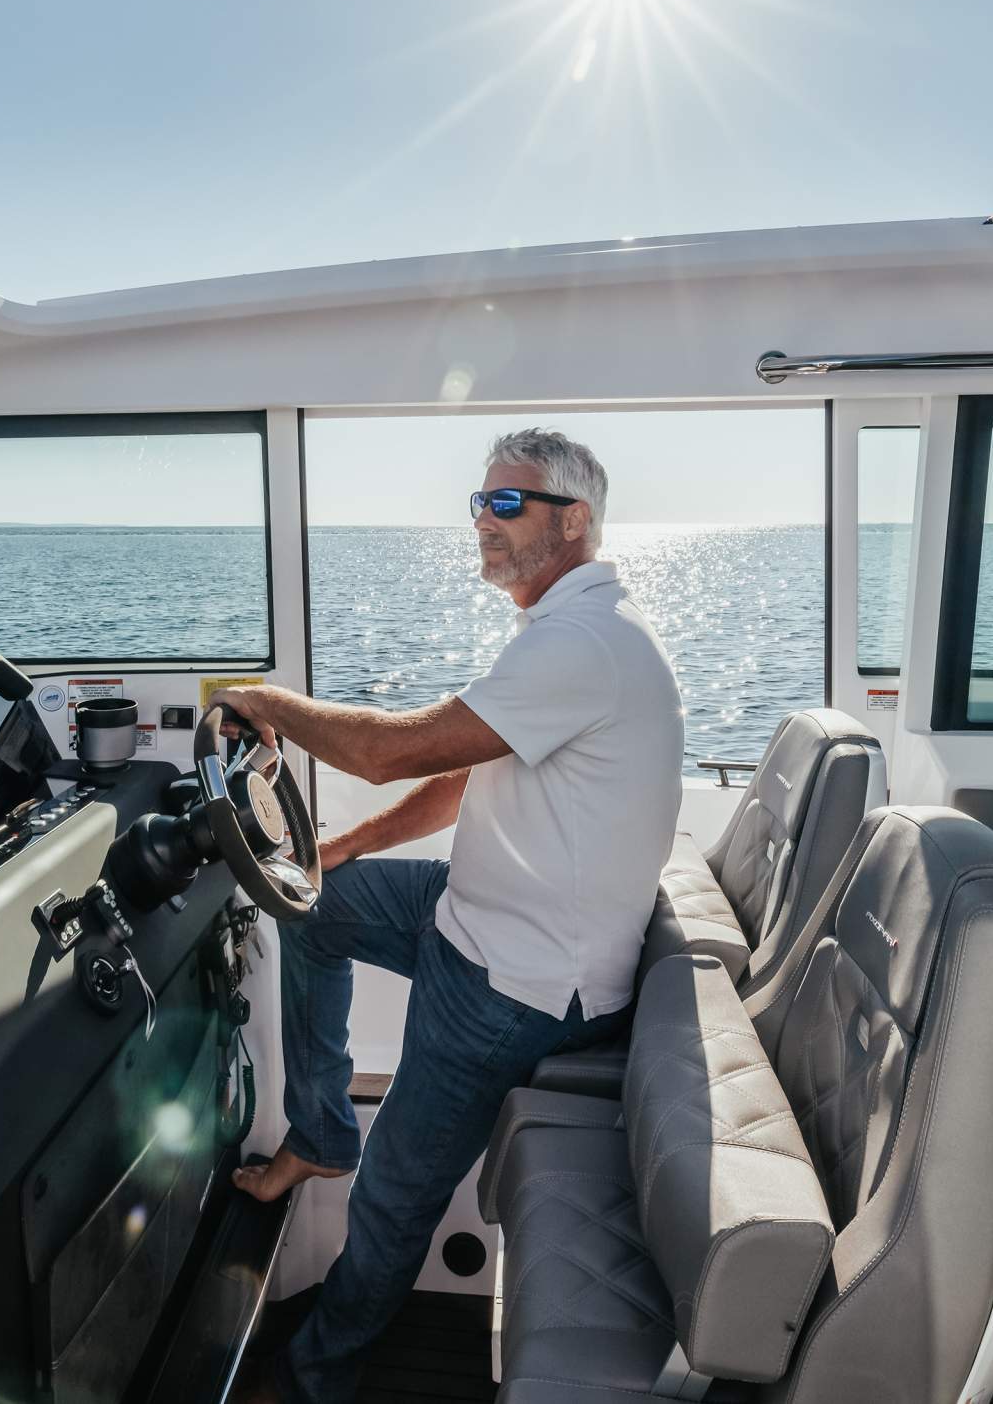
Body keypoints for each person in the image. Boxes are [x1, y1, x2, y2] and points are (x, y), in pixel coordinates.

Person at [215, 427, 684, 1404]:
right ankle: (318, 1129)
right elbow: (457, 776)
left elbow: (398, 749)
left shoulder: (582, 641)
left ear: (573, 520)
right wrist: (341, 849)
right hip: (480, 916)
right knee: (320, 905)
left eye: (505, 503)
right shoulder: (562, 630)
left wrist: (266, 702)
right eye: (478, 501)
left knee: (391, 1202)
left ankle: (312, 1378)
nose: (482, 518)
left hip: (510, 986)